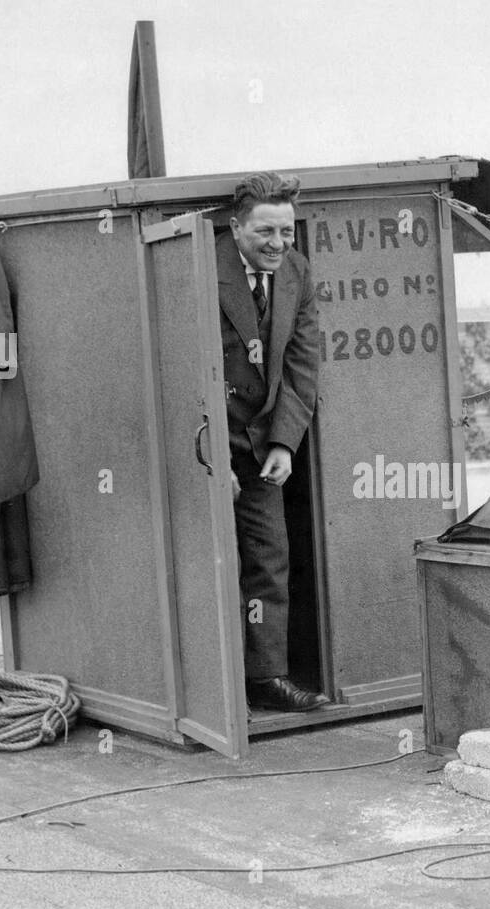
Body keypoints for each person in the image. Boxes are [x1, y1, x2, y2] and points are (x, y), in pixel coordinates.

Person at [217, 171, 331, 714]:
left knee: (268, 559)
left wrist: (285, 443)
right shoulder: (196, 268)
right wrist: (213, 451)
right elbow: (180, 364)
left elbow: (302, 364)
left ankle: (265, 677)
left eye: (286, 232)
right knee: (208, 563)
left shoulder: (296, 272)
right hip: (206, 443)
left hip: (261, 444)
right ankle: (211, 686)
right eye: (265, 232)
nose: (278, 244)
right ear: (235, 227)